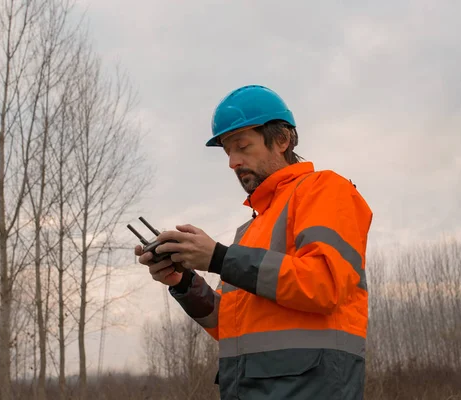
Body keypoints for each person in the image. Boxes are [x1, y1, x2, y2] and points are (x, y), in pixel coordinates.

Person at [134, 84, 373, 400]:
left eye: (242, 147)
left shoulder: (326, 190)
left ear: (282, 140)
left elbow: (323, 284)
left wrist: (219, 258)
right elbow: (226, 325)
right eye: (227, 151)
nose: (232, 161)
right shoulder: (250, 230)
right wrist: (182, 282)